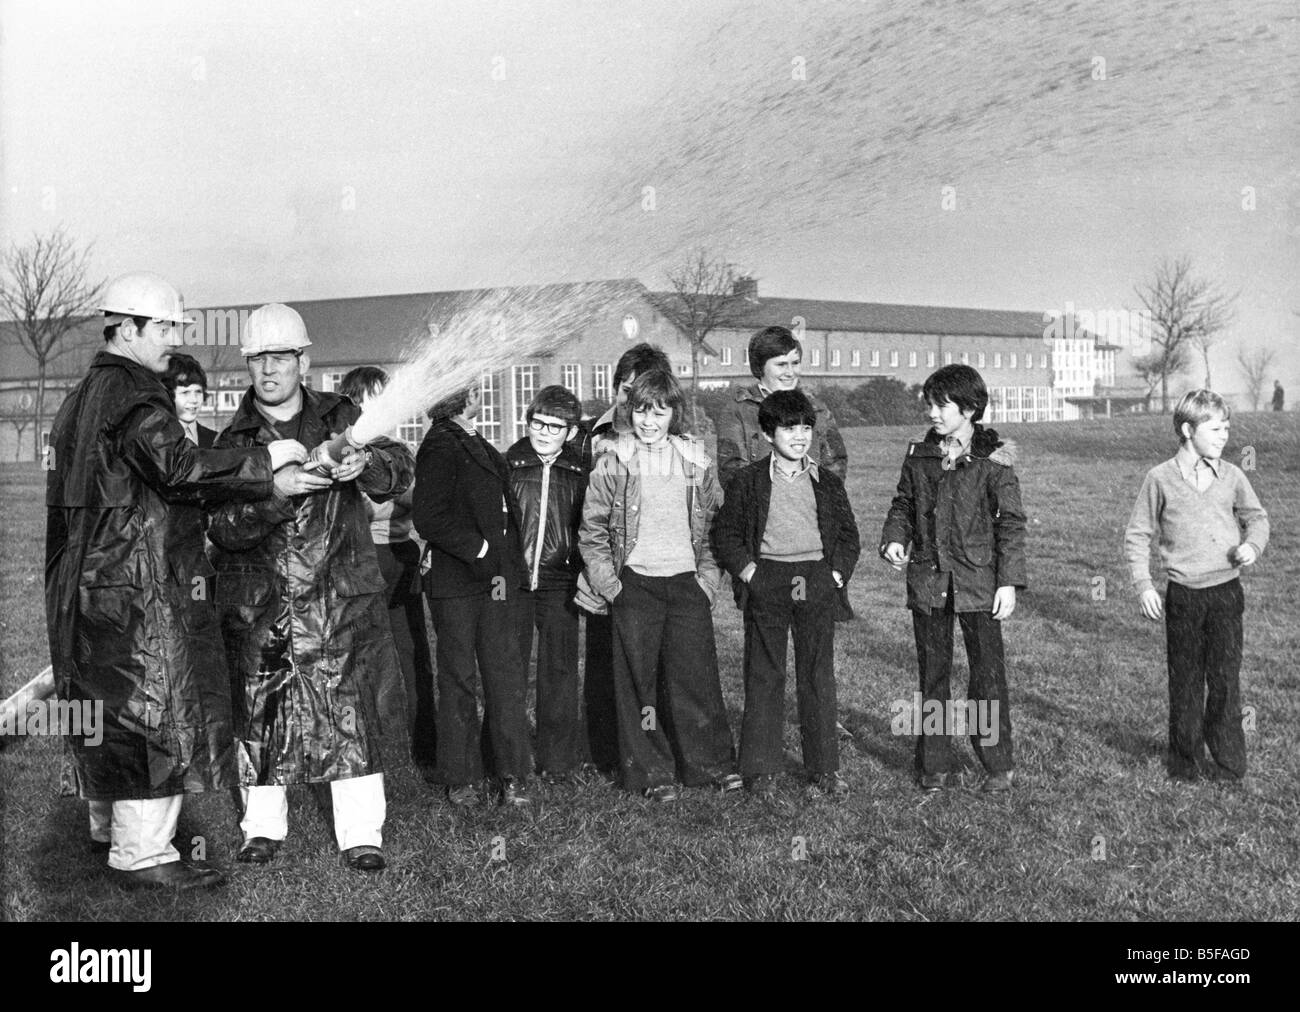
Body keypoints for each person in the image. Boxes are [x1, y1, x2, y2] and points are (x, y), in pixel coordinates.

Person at [45, 271, 305, 890]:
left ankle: (106, 830)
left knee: (103, 708)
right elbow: (179, 465)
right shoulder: (137, 394)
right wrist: (267, 458)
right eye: (162, 327)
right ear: (127, 327)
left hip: (88, 585)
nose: (171, 339)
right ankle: (143, 854)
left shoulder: (83, 395)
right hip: (138, 583)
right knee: (154, 711)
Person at [208, 304, 413, 872]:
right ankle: (262, 828)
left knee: (350, 711)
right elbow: (220, 528)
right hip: (260, 602)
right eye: (257, 359)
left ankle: (361, 833)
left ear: (304, 360)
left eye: (280, 357)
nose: (268, 370)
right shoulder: (233, 439)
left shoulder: (343, 416)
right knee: (259, 712)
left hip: (339, 594)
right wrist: (276, 493)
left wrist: (366, 463)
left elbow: (401, 470)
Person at [579, 368, 740, 802]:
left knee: (696, 677)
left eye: (659, 412)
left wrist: (707, 580)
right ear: (630, 412)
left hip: (687, 584)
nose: (649, 422)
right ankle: (652, 771)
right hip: (635, 586)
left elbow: (713, 525)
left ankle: (709, 764)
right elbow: (591, 531)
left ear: (674, 413)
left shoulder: (695, 459)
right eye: (641, 411)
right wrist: (612, 587)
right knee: (639, 684)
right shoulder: (613, 460)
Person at [880, 364, 1025, 794]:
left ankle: (997, 764)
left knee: (987, 677)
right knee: (934, 675)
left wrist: (1008, 582)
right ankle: (935, 763)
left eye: (942, 405)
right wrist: (893, 538)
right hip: (929, 582)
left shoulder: (992, 459)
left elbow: (1012, 523)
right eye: (930, 404)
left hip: (980, 584)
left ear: (970, 408)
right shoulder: (919, 455)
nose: (933, 413)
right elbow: (903, 504)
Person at [712, 389, 860, 802]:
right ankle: (760, 768)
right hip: (768, 580)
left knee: (817, 676)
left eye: (806, 428)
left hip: (815, 579)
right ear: (766, 433)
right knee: (764, 673)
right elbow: (725, 534)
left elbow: (849, 536)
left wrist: (833, 576)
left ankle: (824, 767)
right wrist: (751, 572)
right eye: (789, 428)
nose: (799, 436)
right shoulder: (748, 481)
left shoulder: (827, 483)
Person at [1123, 389, 1269, 782]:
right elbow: (1138, 534)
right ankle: (1184, 763)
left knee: (1224, 679)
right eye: (1216, 428)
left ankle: (1227, 764)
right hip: (1183, 597)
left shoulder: (1233, 475)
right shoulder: (1159, 478)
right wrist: (1144, 585)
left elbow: (1257, 518)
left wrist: (1252, 546)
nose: (1225, 436)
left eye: (1227, 428)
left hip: (1226, 594)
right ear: (1188, 429)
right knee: (1185, 681)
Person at [413, 382, 533, 807]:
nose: (484, 395)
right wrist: (480, 550)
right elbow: (428, 517)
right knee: (459, 679)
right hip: (458, 582)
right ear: (464, 399)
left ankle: (511, 774)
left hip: (494, 580)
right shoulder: (441, 444)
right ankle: (461, 777)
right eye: (478, 390)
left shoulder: (471, 439)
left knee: (504, 677)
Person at [573, 343, 673, 774]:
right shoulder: (589, 435)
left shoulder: (661, 436)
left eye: (636, 391)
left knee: (656, 660)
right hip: (599, 566)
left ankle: (659, 743)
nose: (625, 399)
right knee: (601, 655)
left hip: (652, 566)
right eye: (622, 387)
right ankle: (603, 748)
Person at [339, 366, 437, 772]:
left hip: (399, 558)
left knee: (413, 652)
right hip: (358, 563)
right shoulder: (343, 451)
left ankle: (426, 745)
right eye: (371, 398)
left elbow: (414, 501)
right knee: (358, 657)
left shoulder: (400, 451)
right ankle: (362, 751)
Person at [506, 385, 588, 783]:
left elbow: (588, 526)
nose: (543, 432)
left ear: (570, 432)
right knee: (510, 670)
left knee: (559, 672)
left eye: (554, 427)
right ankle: (511, 760)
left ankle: (558, 762)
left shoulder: (580, 471)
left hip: (560, 581)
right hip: (516, 583)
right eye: (538, 423)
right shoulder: (509, 464)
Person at [716, 325, 847, 491]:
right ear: (760, 367)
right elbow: (732, 471)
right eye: (781, 364)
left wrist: (821, 502)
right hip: (758, 510)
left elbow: (835, 465)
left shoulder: (817, 410)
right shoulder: (738, 411)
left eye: (795, 363)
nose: (790, 372)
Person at [162, 352, 217, 447]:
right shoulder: (155, 441)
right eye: (185, 392)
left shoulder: (217, 440)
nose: (194, 400)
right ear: (167, 395)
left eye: (198, 392)